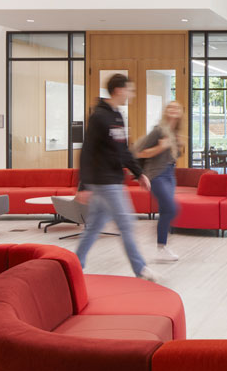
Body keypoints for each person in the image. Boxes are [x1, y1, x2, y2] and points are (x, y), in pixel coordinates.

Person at [76, 74, 158, 282]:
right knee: (126, 223)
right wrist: (83, 185)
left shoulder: (118, 116)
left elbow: (123, 151)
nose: (132, 94)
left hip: (111, 179)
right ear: (119, 90)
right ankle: (140, 269)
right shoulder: (99, 117)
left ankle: (75, 264)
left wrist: (139, 173)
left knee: (95, 225)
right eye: (130, 90)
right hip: (104, 181)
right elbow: (87, 151)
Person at [135, 101, 184, 262]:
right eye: (170, 107)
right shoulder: (158, 131)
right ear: (165, 112)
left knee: (165, 211)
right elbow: (138, 152)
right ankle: (159, 242)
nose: (173, 109)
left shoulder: (175, 133)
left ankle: (161, 248)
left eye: (176, 107)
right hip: (157, 175)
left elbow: (173, 157)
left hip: (170, 175)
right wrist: (159, 148)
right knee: (171, 208)